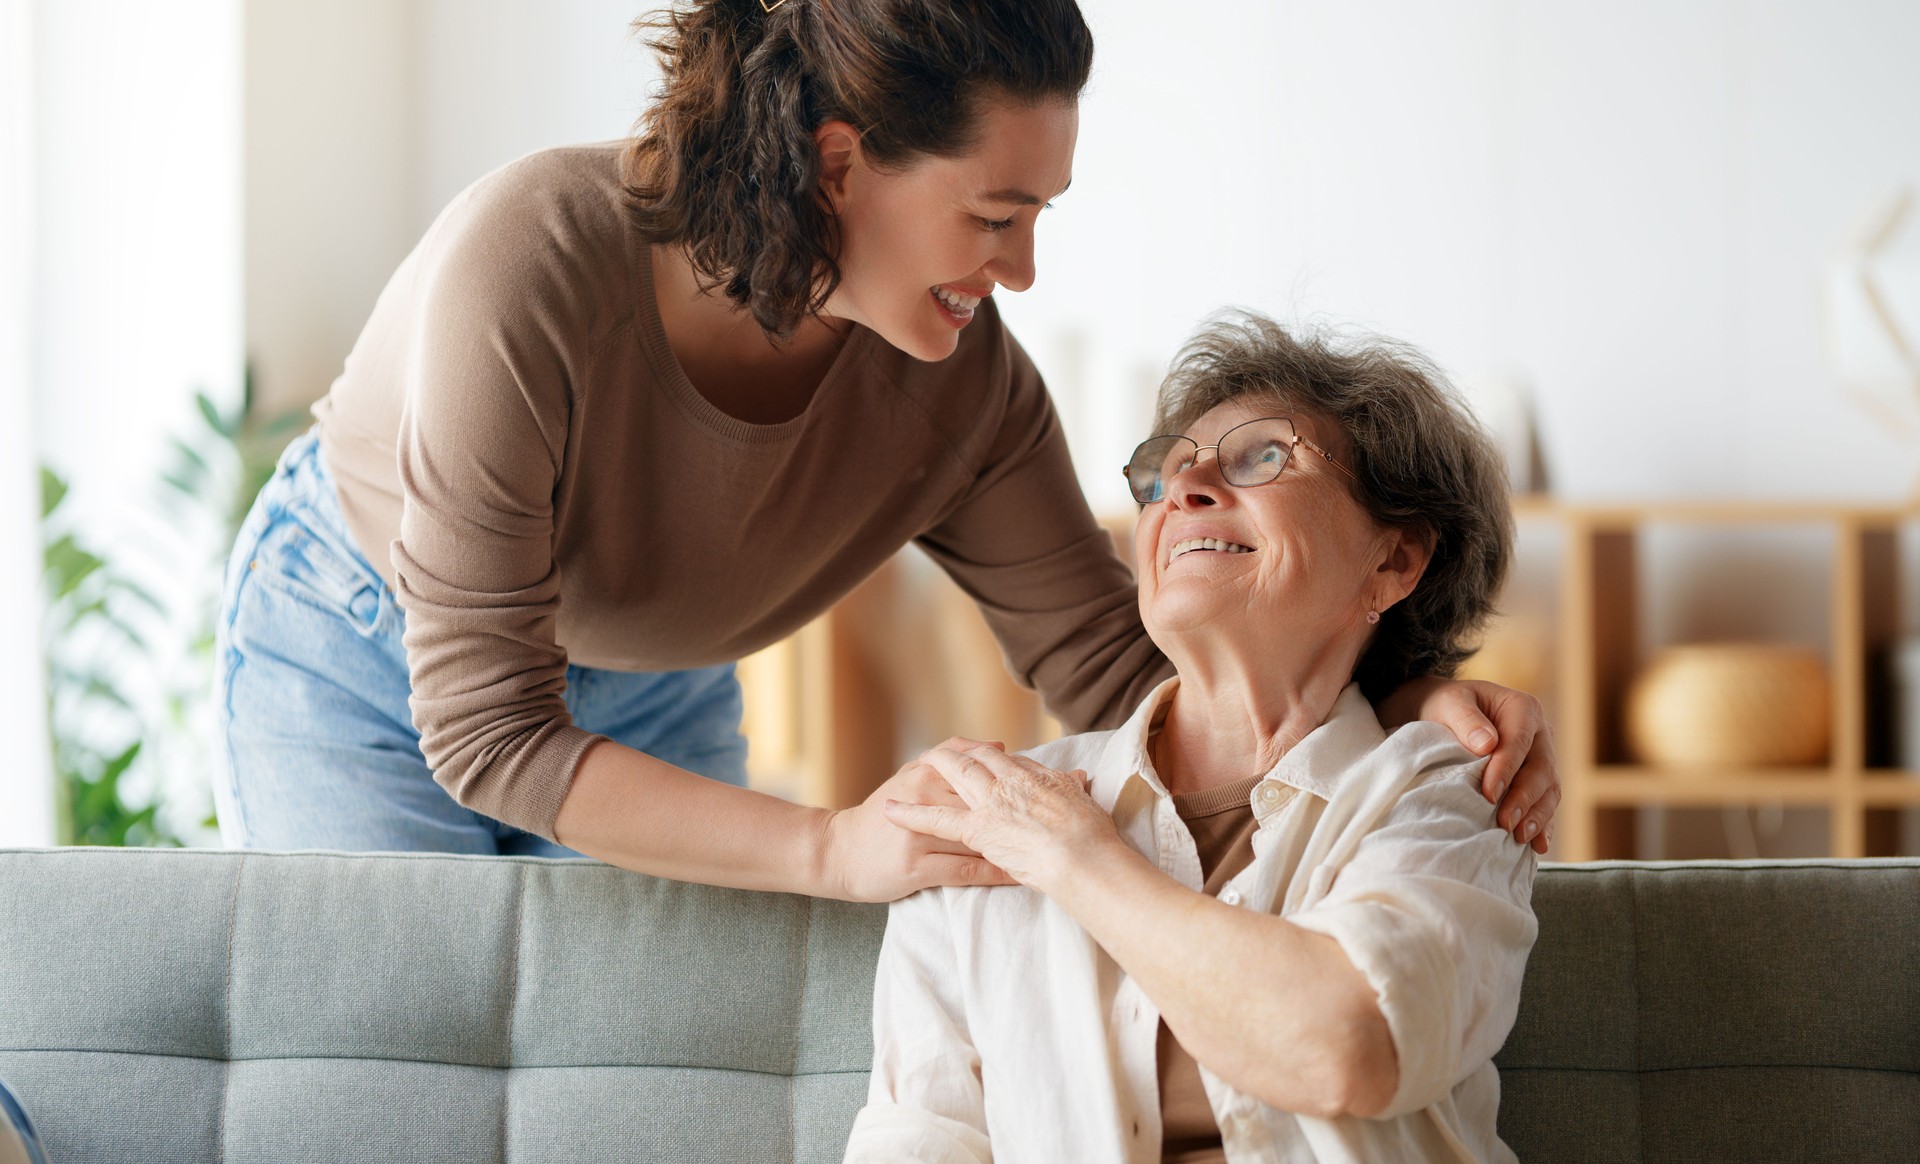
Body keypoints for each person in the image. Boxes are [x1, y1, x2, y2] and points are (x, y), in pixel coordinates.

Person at [213, 0, 1558, 902]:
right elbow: (491, 725)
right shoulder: (534, 271)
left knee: (639, 1088)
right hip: (368, 654)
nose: (1024, 271)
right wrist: (830, 845)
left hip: (653, 682)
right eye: (996, 214)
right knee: (391, 1081)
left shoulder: (962, 392)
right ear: (839, 164)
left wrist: (1399, 722)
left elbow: (1113, 675)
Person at [848, 314, 1538, 1162]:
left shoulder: (1442, 792)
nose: (1186, 487)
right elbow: (919, 1138)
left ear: (1393, 562)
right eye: (1167, 470)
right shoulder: (995, 815)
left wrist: (1077, 859)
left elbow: (1346, 1048)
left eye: (1261, 458)